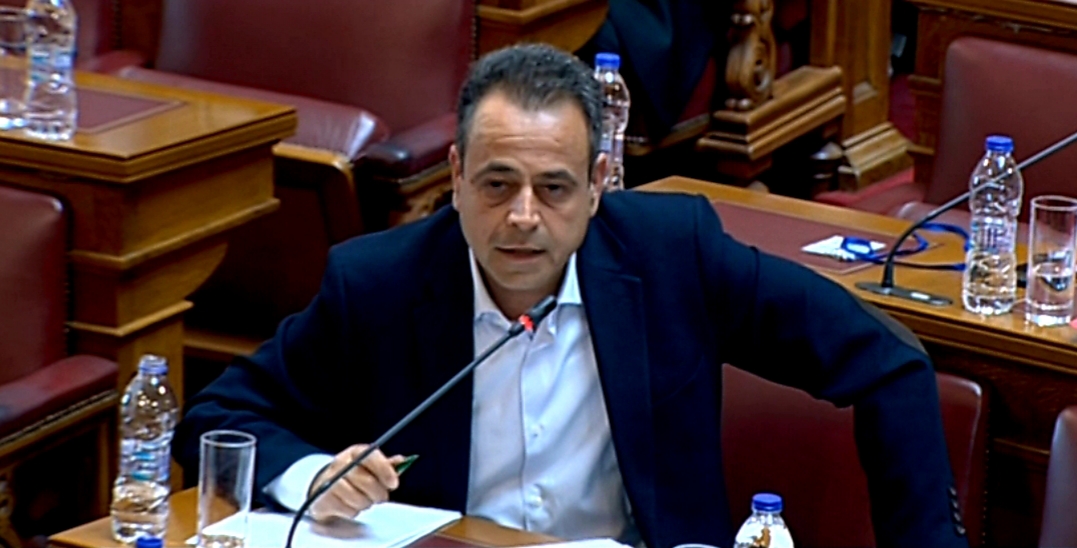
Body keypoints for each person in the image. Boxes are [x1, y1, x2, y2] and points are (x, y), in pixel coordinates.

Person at [173, 44, 968, 548]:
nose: (523, 218)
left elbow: (886, 364)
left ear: (597, 184)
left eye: (553, 188)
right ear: (455, 177)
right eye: (496, 185)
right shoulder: (378, 283)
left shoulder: (673, 256)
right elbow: (219, 416)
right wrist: (313, 474)